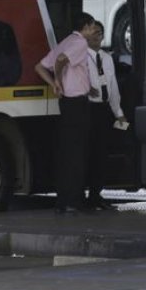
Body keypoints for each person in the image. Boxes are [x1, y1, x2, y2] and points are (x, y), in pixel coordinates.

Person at [35, 12, 98, 214]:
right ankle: (74, 200)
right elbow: (61, 60)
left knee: (66, 152)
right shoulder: (79, 44)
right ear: (86, 27)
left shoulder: (67, 40)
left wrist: (55, 82)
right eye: (93, 27)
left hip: (67, 105)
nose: (94, 31)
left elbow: (40, 67)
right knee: (78, 153)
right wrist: (58, 81)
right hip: (77, 104)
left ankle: (63, 200)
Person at [86, 20, 126, 207]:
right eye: (93, 32)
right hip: (88, 109)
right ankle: (81, 193)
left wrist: (118, 112)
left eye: (100, 32)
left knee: (102, 154)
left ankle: (96, 194)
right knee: (87, 153)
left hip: (103, 110)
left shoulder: (107, 58)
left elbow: (113, 87)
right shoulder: (82, 57)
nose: (97, 36)